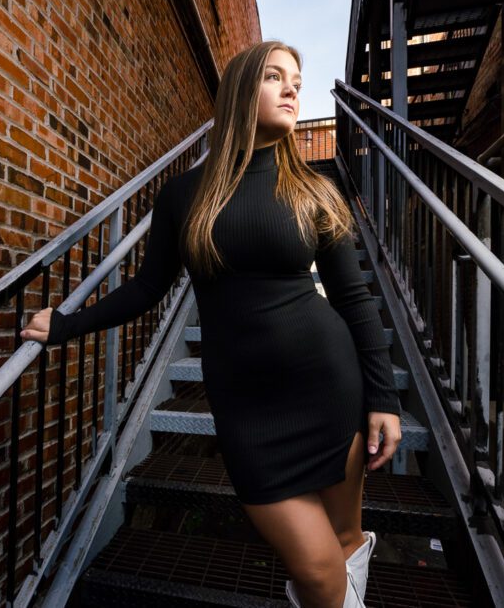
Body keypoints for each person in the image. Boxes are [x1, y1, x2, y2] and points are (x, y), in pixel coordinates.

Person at [21, 40, 402, 608]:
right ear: (241, 90)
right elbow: (149, 287)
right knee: (318, 571)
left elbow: (354, 299)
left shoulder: (316, 191)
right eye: (275, 76)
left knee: (345, 541)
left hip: (328, 389)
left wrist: (384, 398)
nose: (292, 87)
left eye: (296, 78)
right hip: (247, 409)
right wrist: (67, 325)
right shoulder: (183, 195)